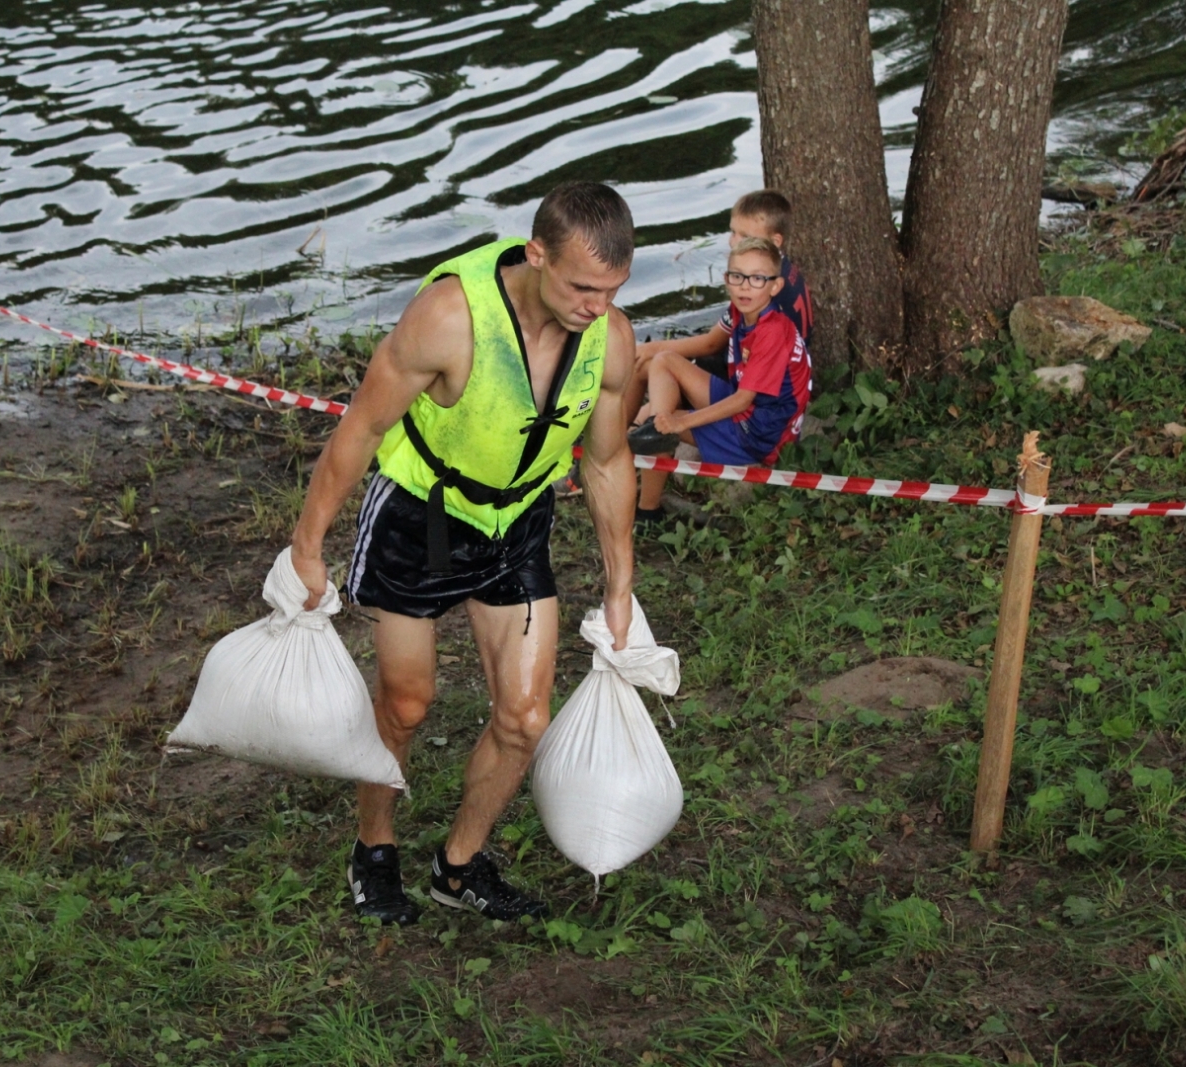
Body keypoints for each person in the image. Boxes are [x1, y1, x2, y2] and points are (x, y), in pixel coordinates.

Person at [288, 182, 639, 926]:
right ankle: (373, 847)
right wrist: (306, 543)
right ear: (537, 254)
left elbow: (606, 461)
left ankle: (458, 865)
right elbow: (360, 429)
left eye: (612, 290)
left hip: (515, 523)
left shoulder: (610, 338)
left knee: (525, 717)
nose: (595, 306)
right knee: (408, 703)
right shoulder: (452, 317)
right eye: (581, 286)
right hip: (422, 515)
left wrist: (620, 583)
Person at [627, 237, 812, 518]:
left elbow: (742, 400)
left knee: (666, 423)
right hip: (750, 408)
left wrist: (681, 421)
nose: (745, 285)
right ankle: (629, 436)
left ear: (776, 286)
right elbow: (711, 344)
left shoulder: (773, 330)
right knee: (663, 361)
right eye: (737, 276)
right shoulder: (743, 308)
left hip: (760, 434)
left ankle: (648, 510)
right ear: (726, 279)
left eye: (757, 278)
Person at [635, 189, 813, 384]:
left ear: (775, 241)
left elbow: (711, 343)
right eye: (733, 232)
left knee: (647, 367)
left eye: (745, 237)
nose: (733, 242)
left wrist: (650, 349)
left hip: (764, 383)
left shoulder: (757, 288)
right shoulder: (784, 269)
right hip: (787, 375)